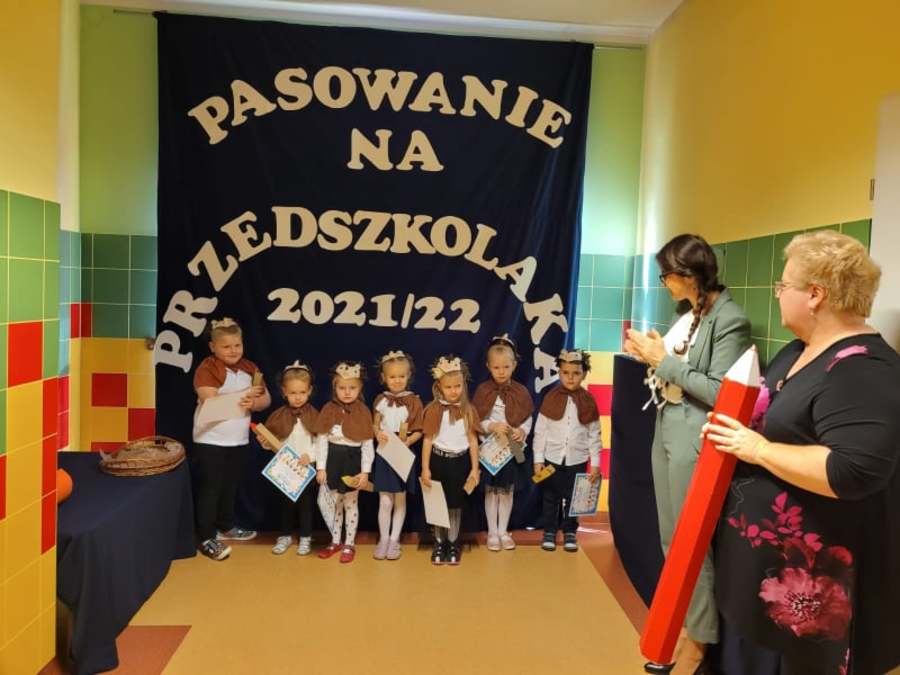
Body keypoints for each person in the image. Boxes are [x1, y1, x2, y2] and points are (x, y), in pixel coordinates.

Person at [703, 231, 900, 675]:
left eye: (783, 285)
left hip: (812, 598)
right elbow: (780, 422)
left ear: (815, 295)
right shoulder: (799, 350)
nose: (777, 293)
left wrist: (757, 448)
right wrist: (733, 431)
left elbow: (850, 470)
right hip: (767, 578)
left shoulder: (862, 369)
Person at [624, 234, 751, 674]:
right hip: (668, 420)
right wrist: (649, 355)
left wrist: (661, 360)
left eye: (667, 276)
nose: (664, 284)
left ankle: (699, 640)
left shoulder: (729, 319)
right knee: (669, 537)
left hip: (695, 432)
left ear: (690, 275)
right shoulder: (687, 313)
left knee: (689, 538)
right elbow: (678, 367)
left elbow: (719, 390)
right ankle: (684, 622)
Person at [191, 317, 271, 560]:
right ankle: (206, 537)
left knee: (230, 485)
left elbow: (265, 399)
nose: (233, 350)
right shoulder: (207, 368)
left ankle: (226, 526)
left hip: (238, 439)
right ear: (212, 347)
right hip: (210, 439)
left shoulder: (250, 367)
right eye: (226, 346)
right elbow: (210, 401)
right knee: (211, 488)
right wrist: (244, 396)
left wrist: (254, 403)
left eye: (237, 345)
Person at [533, 349, 601, 553]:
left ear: (584, 374)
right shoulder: (550, 397)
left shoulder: (588, 401)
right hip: (552, 458)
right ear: (559, 372)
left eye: (576, 373)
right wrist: (538, 459)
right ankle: (550, 531)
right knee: (550, 497)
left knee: (574, 498)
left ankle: (570, 531)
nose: (570, 378)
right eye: (565, 373)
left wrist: (595, 463)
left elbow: (594, 435)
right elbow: (540, 431)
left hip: (577, 459)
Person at [472, 334, 534, 552]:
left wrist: (522, 430)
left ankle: (503, 531)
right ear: (488, 366)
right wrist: (491, 426)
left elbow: (527, 416)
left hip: (511, 450)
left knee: (507, 491)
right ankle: (492, 532)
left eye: (506, 367)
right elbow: (476, 419)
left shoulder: (521, 391)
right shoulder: (483, 391)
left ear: (514, 365)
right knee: (491, 491)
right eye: (496, 367)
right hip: (490, 450)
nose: (501, 372)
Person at [421, 355, 480, 566]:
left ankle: (453, 542)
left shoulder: (468, 410)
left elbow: (473, 441)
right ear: (439, 387)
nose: (454, 391)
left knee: (455, 505)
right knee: (438, 504)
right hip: (439, 461)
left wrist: (475, 469)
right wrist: (425, 468)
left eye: (458, 386)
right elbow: (427, 440)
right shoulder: (433, 410)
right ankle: (439, 543)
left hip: (460, 462)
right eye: (448, 387)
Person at [313, 361, 374, 564]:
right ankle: (335, 540)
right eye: (342, 388)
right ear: (335, 388)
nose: (347, 392)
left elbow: (367, 444)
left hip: (352, 462)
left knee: (350, 503)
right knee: (334, 504)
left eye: (352, 388)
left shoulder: (363, 411)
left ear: (360, 388)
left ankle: (349, 543)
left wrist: (365, 472)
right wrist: (321, 467)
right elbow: (321, 441)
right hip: (333, 461)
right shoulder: (328, 409)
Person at [256, 361, 318, 556]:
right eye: (293, 393)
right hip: (286, 469)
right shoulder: (278, 415)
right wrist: (266, 443)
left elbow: (322, 442)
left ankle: (306, 537)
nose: (298, 397)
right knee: (286, 505)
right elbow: (275, 441)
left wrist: (311, 455)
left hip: (306, 468)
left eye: (302, 392)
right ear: (284, 392)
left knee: (306, 505)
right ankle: (284, 536)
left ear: (309, 391)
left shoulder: (315, 415)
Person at [371, 350, 424, 561]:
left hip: (403, 452)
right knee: (385, 500)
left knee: (400, 499)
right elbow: (375, 424)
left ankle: (394, 540)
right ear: (384, 377)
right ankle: (383, 539)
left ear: (408, 376)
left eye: (401, 376)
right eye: (392, 376)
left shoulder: (414, 401)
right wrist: (378, 434)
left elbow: (419, 430)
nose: (397, 380)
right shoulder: (380, 400)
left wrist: (408, 441)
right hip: (385, 453)